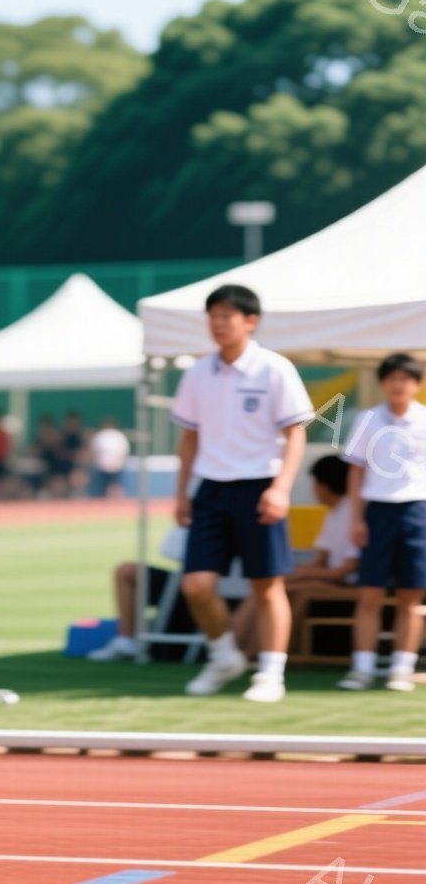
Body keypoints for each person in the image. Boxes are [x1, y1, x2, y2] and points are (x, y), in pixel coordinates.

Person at [171, 284, 313, 703]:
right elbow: (189, 438)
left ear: (251, 321)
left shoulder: (274, 368)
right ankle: (223, 656)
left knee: (266, 586)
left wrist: (281, 488)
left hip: (260, 485)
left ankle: (271, 673)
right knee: (196, 585)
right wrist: (182, 494)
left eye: (227, 315)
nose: (218, 323)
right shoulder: (197, 372)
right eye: (213, 316)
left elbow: (295, 432)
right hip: (211, 489)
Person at [338, 352, 425, 691]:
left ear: (416, 384)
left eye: (405, 378)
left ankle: (401, 668)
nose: (398, 385)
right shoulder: (367, 419)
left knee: (411, 596)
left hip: (418, 510)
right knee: (370, 593)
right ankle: (362, 668)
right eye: (392, 378)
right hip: (377, 511)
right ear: (383, 383)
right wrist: (356, 519)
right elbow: (356, 472)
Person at [230, 455, 361, 658]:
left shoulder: (351, 513)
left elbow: (345, 570)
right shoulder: (336, 513)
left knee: (275, 587)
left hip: (352, 585)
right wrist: (298, 572)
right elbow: (320, 560)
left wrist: (298, 573)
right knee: (273, 585)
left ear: (323, 487)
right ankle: (247, 649)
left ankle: (252, 650)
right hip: (336, 580)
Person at [87, 526, 189, 662]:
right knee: (126, 571)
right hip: (185, 579)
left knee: (198, 584)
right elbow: (175, 538)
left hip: (213, 586)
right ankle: (126, 640)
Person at [88, 416, 130, 499]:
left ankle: (114, 501)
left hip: (113, 466)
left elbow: (93, 452)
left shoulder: (117, 436)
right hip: (106, 466)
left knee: (113, 486)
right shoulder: (116, 436)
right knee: (104, 487)